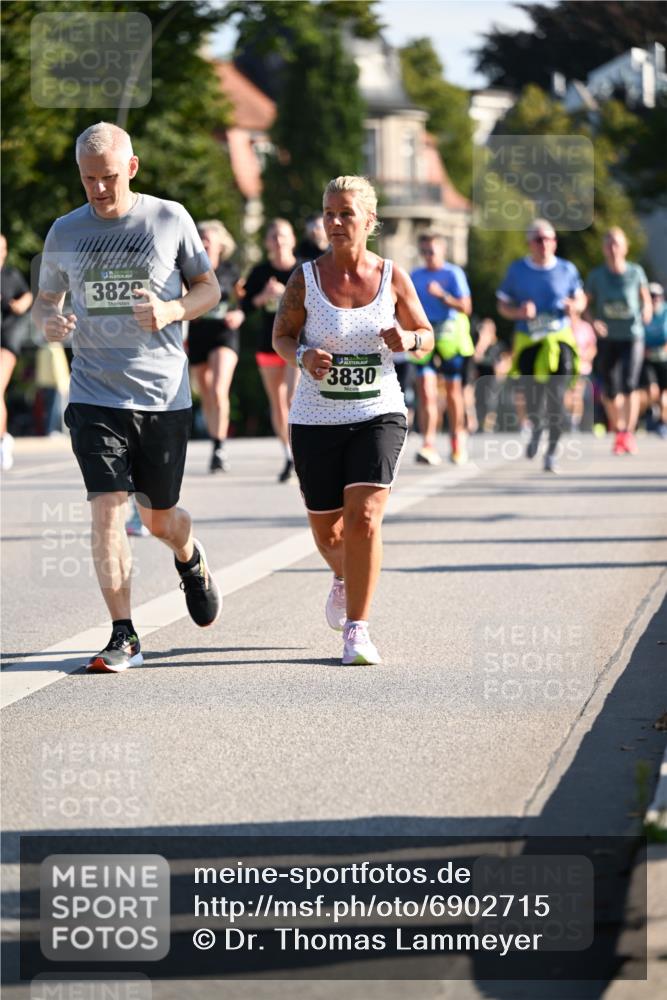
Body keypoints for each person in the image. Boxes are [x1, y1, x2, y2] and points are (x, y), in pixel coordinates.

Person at [32, 122, 222, 672]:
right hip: (94, 393)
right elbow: (47, 299)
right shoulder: (65, 230)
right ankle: (125, 635)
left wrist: (171, 310)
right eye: (89, 179)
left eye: (109, 177)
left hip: (162, 394)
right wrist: (51, 321)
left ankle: (190, 556)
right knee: (108, 512)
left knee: (159, 517)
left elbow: (208, 288)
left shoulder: (169, 218)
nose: (99, 189)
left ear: (131, 168)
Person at [273, 175, 433, 665]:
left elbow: (426, 333)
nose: (335, 223)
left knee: (364, 519)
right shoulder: (306, 278)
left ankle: (357, 631)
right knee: (328, 534)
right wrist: (302, 356)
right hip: (316, 417)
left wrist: (408, 341)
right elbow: (280, 335)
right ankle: (342, 577)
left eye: (346, 214)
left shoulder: (392, 276)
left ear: (370, 220)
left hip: (377, 412)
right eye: (329, 213)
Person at [497, 219, 586, 472]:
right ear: (530, 243)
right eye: (538, 239)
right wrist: (518, 312)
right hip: (529, 342)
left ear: (555, 242)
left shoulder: (567, 269)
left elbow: (580, 300)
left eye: (549, 238)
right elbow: (502, 305)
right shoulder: (517, 270)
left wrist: (574, 307)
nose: (544, 243)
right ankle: (536, 428)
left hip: (560, 341)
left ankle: (552, 453)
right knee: (534, 398)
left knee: (557, 397)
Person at [585, 227, 652, 455]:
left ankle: (627, 433)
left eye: (617, 244)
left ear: (625, 247)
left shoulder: (635, 272)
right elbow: (584, 305)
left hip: (632, 335)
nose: (613, 249)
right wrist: (593, 322)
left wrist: (646, 312)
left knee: (630, 383)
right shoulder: (596, 276)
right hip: (607, 337)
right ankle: (619, 428)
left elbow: (646, 300)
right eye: (609, 244)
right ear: (604, 249)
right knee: (611, 389)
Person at [242, 219, 299, 482]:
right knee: (276, 402)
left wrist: (285, 293)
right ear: (267, 243)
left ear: (292, 240)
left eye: (283, 236)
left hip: (297, 343)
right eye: (274, 236)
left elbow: (315, 303)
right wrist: (264, 295)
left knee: (291, 398)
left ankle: (301, 451)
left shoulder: (302, 270)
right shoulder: (260, 272)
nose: (278, 241)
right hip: (268, 344)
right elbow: (246, 306)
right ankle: (288, 454)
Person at [409, 232, 473, 465]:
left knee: (453, 391)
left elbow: (466, 307)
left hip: (450, 338)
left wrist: (443, 296)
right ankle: (428, 443)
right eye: (423, 251)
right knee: (425, 390)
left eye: (431, 251)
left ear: (442, 251)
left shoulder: (453, 273)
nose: (427, 256)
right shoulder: (415, 275)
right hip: (425, 337)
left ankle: (457, 439)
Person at [188, 219, 244, 472]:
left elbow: (245, 302)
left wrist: (240, 314)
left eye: (208, 238)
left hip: (225, 334)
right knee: (207, 393)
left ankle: (219, 448)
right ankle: (214, 440)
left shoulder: (232, 271)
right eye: (199, 238)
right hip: (199, 334)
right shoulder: (190, 272)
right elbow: (181, 298)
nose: (203, 242)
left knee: (220, 390)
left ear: (220, 244)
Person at [1, 233, 33, 470]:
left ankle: (1, 441)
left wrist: (21, 304)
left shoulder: (10, 275)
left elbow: (27, 295)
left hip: (6, 340)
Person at [642, 282, 667, 438]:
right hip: (649, 358)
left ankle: (663, 423)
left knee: (665, 396)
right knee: (653, 391)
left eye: (656, 296)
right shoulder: (642, 312)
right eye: (651, 296)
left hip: (665, 360)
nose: (654, 299)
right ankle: (653, 413)